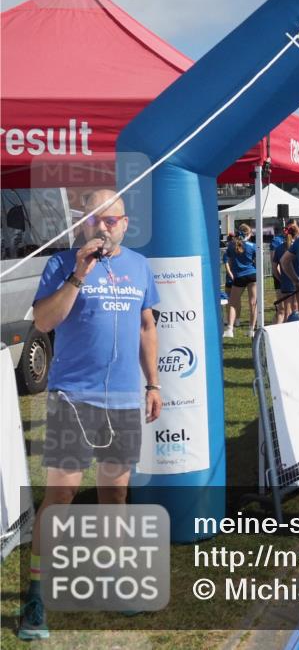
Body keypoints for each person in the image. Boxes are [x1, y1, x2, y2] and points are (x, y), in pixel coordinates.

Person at [19, 190, 161, 641]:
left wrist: (153, 383)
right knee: (61, 496)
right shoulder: (63, 264)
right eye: (94, 219)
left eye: (110, 220)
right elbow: (44, 322)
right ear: (83, 223)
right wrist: (79, 275)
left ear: (125, 223)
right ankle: (36, 596)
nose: (102, 227)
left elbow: (147, 327)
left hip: (123, 399)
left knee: (114, 496)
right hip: (72, 397)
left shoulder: (139, 266)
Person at [223, 223, 257, 338]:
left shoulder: (231, 245)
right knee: (253, 303)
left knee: (232, 303)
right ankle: (251, 329)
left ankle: (230, 329)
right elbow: (256, 261)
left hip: (239, 276)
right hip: (252, 275)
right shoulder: (253, 246)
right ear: (249, 234)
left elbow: (228, 260)